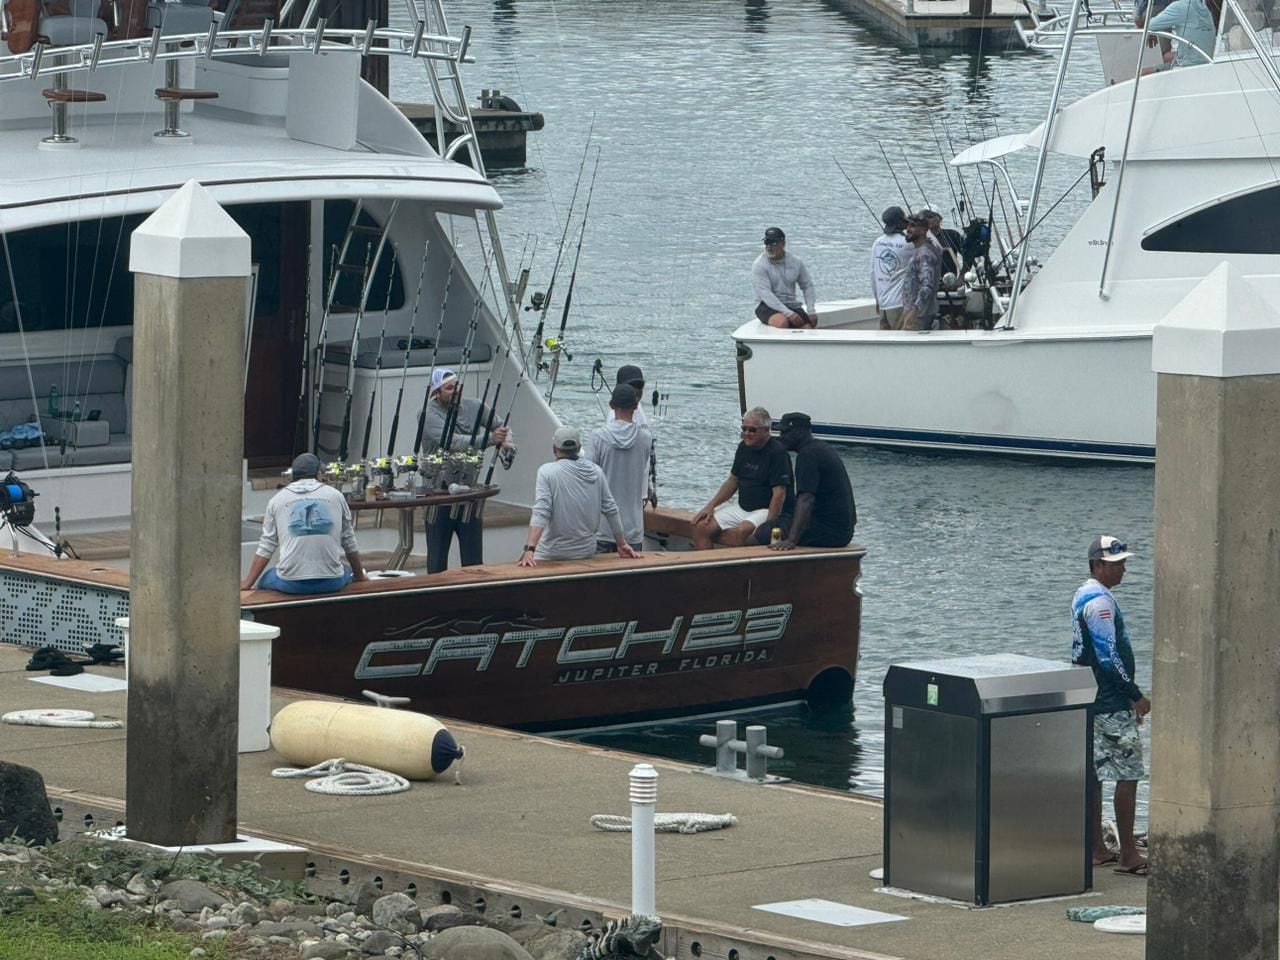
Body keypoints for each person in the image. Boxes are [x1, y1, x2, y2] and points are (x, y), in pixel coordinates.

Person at [1071, 535, 1151, 878]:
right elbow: (1109, 655)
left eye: (1123, 563)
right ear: (1097, 565)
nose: (1123, 570)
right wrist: (1134, 695)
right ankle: (1129, 854)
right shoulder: (1100, 603)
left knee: (1095, 773)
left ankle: (1096, 848)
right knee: (1128, 773)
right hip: (1110, 701)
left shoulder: (1082, 593)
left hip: (1090, 697)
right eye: (1116, 564)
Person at [420, 367, 514, 573]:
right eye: (449, 388)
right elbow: (452, 442)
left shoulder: (475, 406)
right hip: (438, 496)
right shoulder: (427, 414)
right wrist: (491, 440)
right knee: (437, 562)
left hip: (469, 493)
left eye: (457, 387)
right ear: (436, 392)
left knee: (474, 562)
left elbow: (502, 427)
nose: (455, 391)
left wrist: (507, 444)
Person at [241, 452, 367, 595]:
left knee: (265, 579)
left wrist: (247, 583)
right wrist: (359, 576)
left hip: (291, 583)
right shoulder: (336, 496)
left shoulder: (277, 500)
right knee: (345, 571)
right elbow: (348, 540)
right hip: (331, 582)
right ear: (319, 474)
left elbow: (267, 545)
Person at [518, 426, 639, 565]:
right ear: (579, 447)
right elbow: (611, 509)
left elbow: (542, 511)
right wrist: (622, 543)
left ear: (554, 449)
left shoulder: (547, 471)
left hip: (551, 553)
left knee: (522, 560)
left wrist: (530, 549)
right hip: (586, 552)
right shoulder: (596, 471)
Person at [691, 406, 793, 549]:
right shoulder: (743, 448)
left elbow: (779, 494)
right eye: (744, 428)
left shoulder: (777, 453)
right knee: (700, 527)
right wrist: (710, 506)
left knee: (742, 532)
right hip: (742, 507)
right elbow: (733, 481)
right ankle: (707, 567)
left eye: (752, 430)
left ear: (766, 430)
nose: (746, 433)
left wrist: (769, 524)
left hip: (763, 509)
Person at [758, 412, 855, 550]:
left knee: (767, 530)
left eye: (785, 432)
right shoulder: (821, 447)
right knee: (781, 520)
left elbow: (806, 499)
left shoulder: (807, 455)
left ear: (799, 432)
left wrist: (792, 540)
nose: (781, 437)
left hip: (831, 533)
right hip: (842, 529)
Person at [586, 383, 652, 553]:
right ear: (636, 406)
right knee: (630, 579)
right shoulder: (645, 438)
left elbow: (588, 477)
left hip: (603, 526)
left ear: (611, 406)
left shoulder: (598, 437)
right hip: (633, 527)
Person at [752, 227, 817, 329]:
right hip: (765, 305)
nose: (769, 247)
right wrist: (789, 314)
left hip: (791, 305)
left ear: (783, 244)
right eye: (767, 243)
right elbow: (765, 294)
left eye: (773, 243)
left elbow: (807, 286)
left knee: (808, 327)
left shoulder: (796, 262)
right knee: (782, 322)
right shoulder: (759, 265)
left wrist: (811, 310)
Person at [870, 206, 911, 331]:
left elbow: (872, 274)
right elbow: (934, 248)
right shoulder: (908, 243)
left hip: (883, 305)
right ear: (901, 222)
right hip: (900, 304)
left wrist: (877, 300)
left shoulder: (877, 243)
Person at [1146, 0, 1219, 69]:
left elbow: (1149, 25)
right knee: (1165, 57)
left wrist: (1152, 32)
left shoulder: (1179, 7)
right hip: (1206, 62)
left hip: (1186, 66)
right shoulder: (1204, 7)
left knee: (1144, 72)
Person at [902, 213, 942, 332]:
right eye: (907, 225)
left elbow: (926, 287)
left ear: (924, 229)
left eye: (913, 226)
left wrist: (914, 311)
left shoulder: (925, 254)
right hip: (914, 313)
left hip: (919, 316)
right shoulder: (923, 249)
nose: (908, 229)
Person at [923, 209, 964, 276]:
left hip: (950, 281)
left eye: (930, 216)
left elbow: (967, 255)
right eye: (925, 218)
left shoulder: (953, 234)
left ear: (940, 218)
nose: (927, 219)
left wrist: (962, 276)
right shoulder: (920, 239)